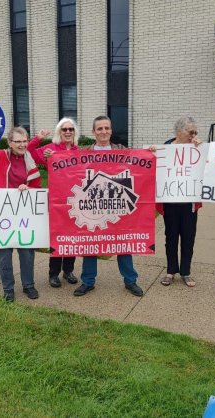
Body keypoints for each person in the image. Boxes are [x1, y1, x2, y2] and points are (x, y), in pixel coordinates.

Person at [73, 115, 144, 297]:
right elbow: (66, 167)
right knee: (90, 244)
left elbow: (141, 162)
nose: (104, 132)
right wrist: (51, 156)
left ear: (111, 130)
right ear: (93, 132)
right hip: (93, 206)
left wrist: (151, 151)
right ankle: (88, 281)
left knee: (122, 243)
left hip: (116, 204)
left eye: (107, 128)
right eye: (100, 129)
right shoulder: (83, 153)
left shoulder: (121, 150)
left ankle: (130, 281)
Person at [0, 125, 41, 302]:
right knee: (4, 253)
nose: (22, 144)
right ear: (10, 143)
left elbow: (37, 186)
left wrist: (29, 187)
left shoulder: (30, 160)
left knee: (27, 252)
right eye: (17, 141)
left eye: (25, 140)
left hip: (24, 214)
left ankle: (29, 285)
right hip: (2, 213)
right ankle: (8, 289)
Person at [27, 117, 79, 288]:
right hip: (56, 202)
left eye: (70, 129)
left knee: (73, 238)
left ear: (74, 132)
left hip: (76, 201)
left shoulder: (80, 151)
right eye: (64, 129)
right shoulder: (51, 149)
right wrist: (39, 138)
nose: (68, 132)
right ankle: (53, 273)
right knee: (58, 238)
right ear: (59, 132)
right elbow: (28, 151)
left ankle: (68, 271)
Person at [151, 116, 202, 288]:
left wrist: (202, 150)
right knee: (171, 237)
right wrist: (150, 153)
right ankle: (171, 270)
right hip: (170, 201)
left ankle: (186, 272)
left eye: (195, 132)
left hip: (189, 203)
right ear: (179, 131)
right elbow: (153, 168)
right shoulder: (165, 149)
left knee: (188, 238)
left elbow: (206, 168)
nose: (193, 135)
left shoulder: (197, 149)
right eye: (191, 132)